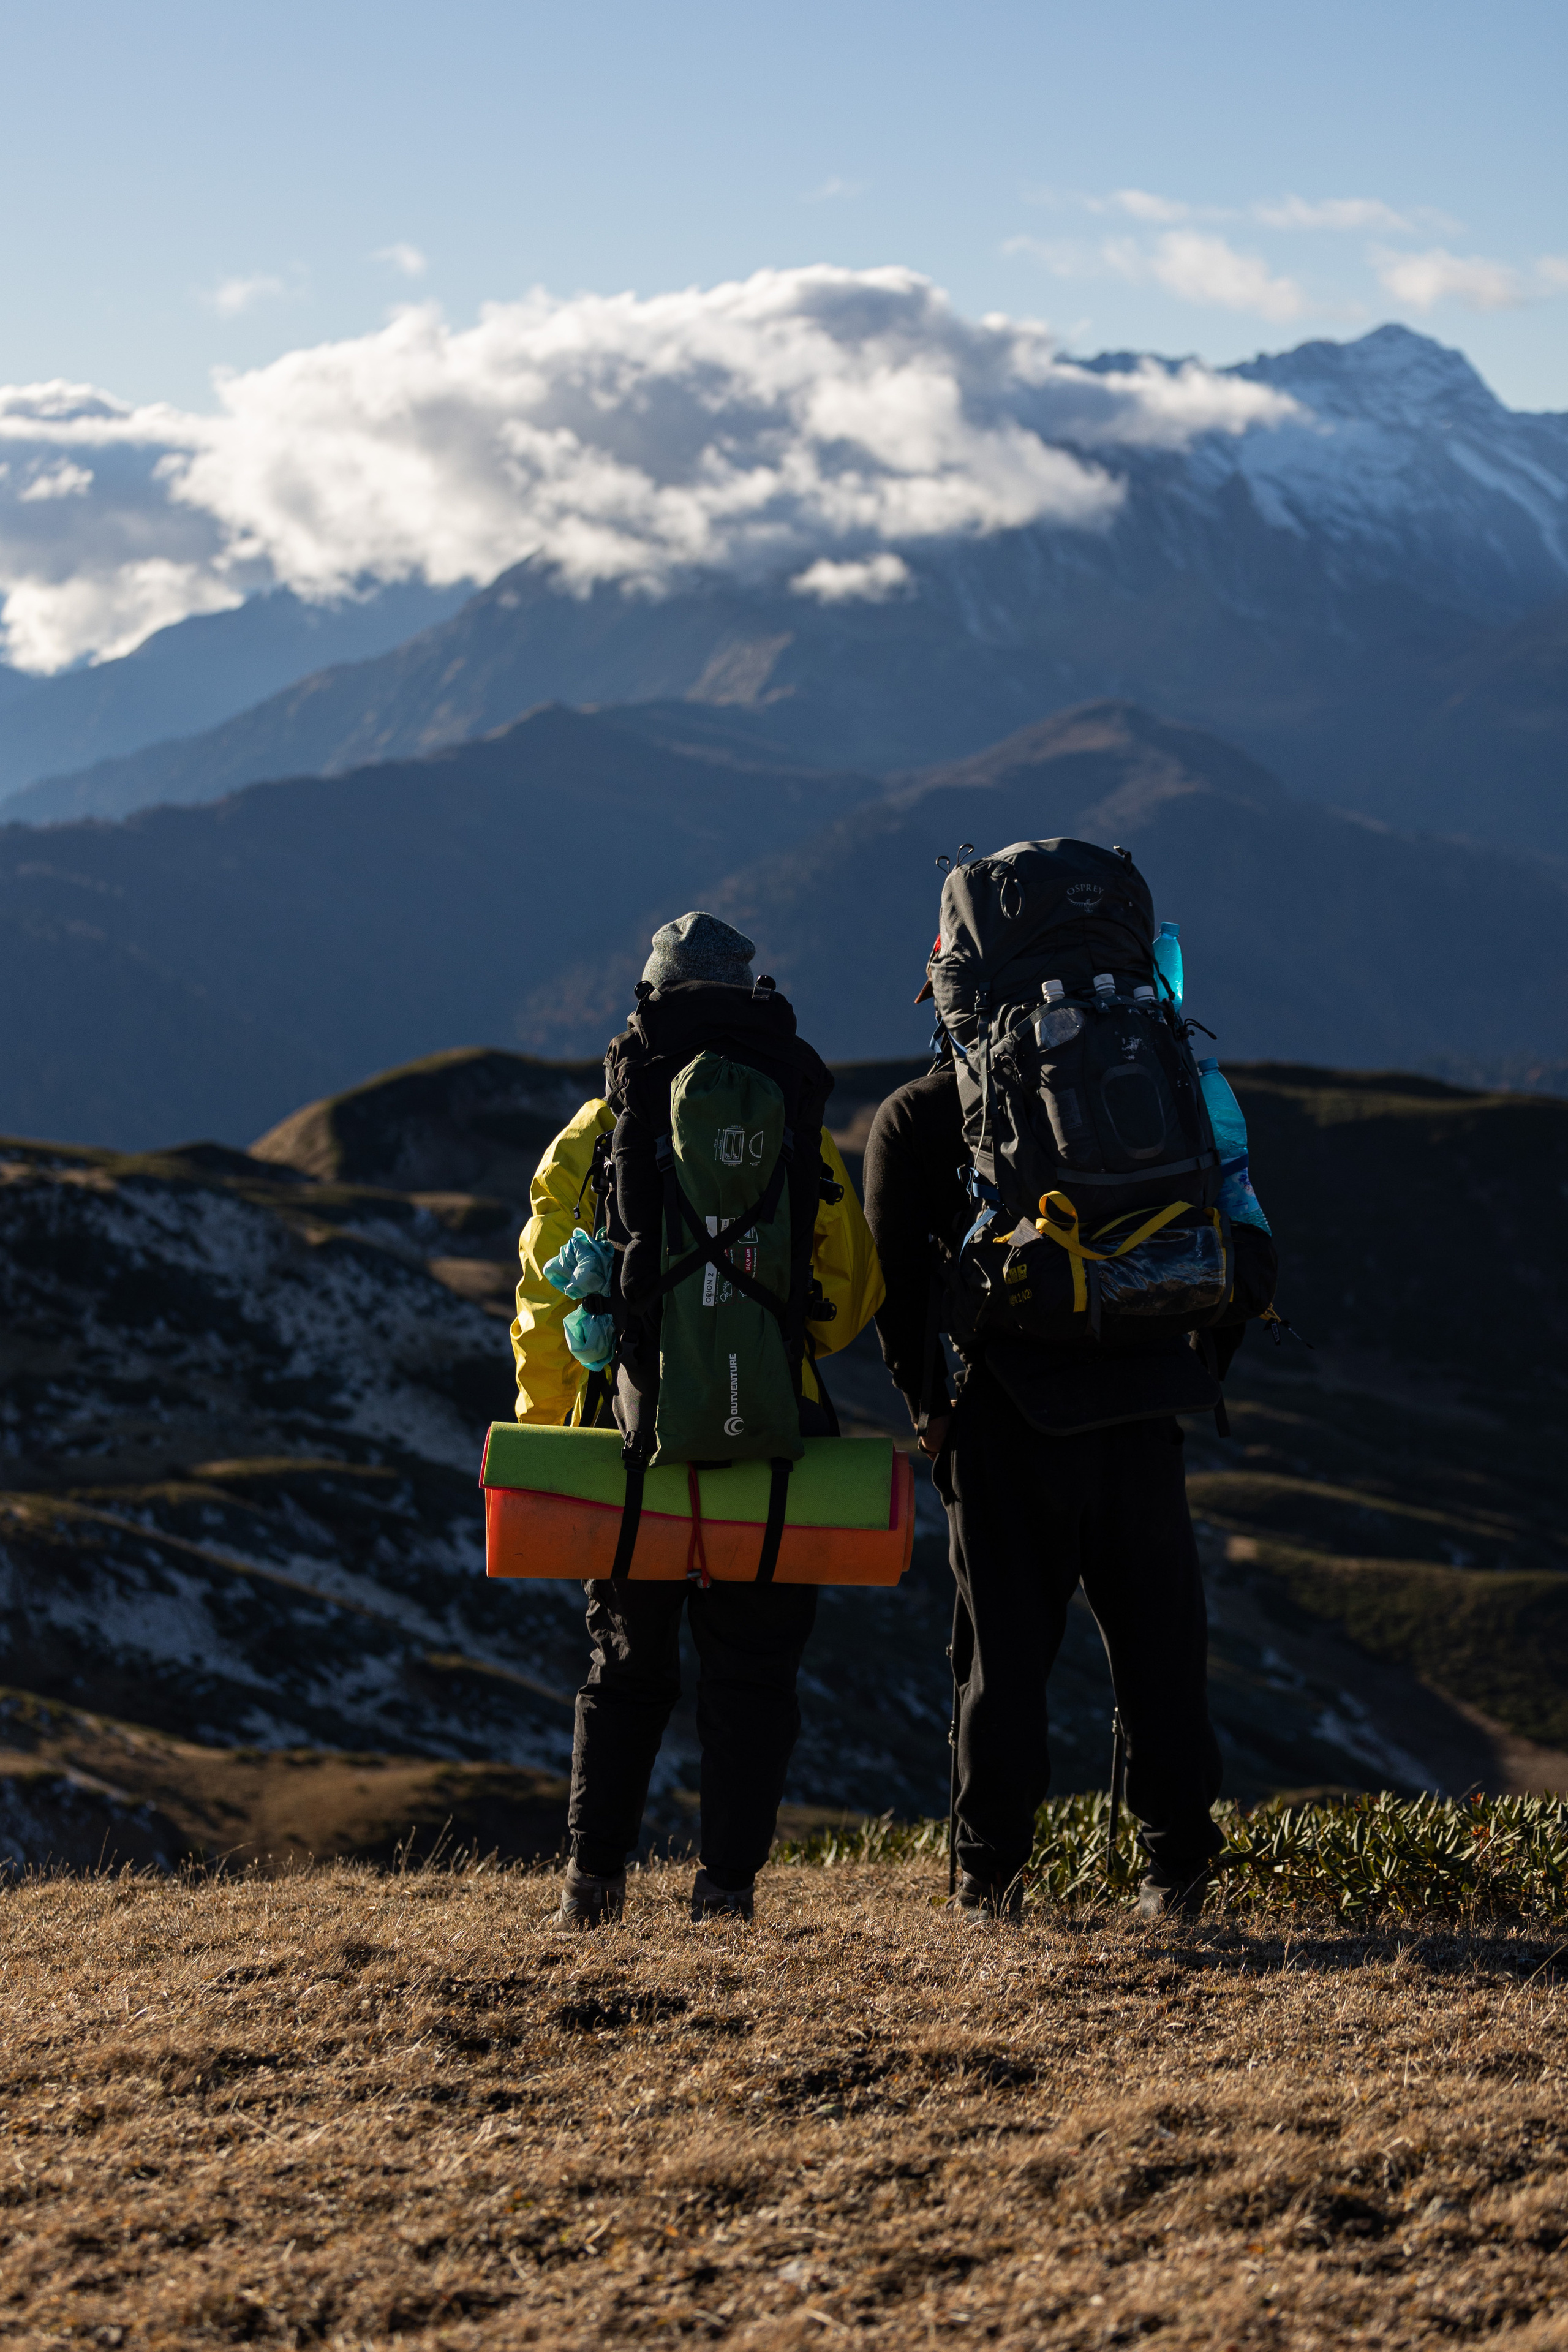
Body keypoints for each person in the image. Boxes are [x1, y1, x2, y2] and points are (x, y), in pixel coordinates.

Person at [864, 861, 1276, 1924]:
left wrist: (935, 1413)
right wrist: (1190, 1364)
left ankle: (989, 1881)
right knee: (1159, 1653)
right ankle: (1176, 1870)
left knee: (1002, 1659)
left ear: (954, 982)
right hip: (1146, 1402)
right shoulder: (1165, 1080)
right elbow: (1241, 1249)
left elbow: (894, 1292)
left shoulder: (916, 1118)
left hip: (1009, 1412)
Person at [511, 911, 883, 1929]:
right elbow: (848, 1300)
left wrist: (554, 1426)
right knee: (753, 1673)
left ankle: (593, 1888)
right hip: (770, 1431)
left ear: (648, 1003)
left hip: (632, 1439)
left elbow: (546, 1299)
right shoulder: (794, 1124)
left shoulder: (596, 1131)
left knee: (625, 1667)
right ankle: (726, 1894)